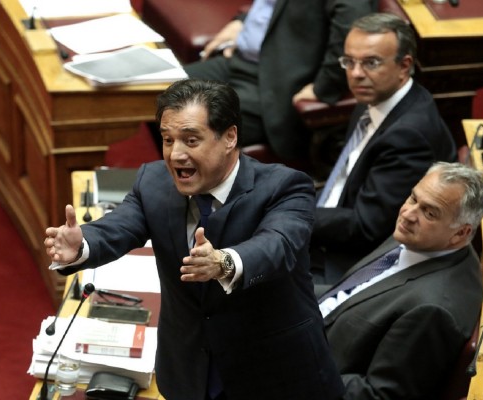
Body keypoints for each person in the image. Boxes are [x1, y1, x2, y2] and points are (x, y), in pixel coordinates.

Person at [43, 79, 344, 400]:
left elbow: (278, 245)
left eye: (191, 140)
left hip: (275, 377)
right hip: (188, 372)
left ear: (229, 137)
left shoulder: (285, 187)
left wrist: (224, 263)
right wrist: (81, 245)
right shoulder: (153, 181)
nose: (176, 154)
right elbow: (118, 226)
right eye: (167, 140)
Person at [319, 161, 483, 400]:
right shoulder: (423, 238)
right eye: (413, 198)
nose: (408, 214)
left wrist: (299, 369)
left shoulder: (432, 310)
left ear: (461, 233)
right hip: (311, 326)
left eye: (429, 213)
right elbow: (352, 293)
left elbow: (379, 395)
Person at [310, 12, 458, 284]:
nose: (356, 74)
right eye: (349, 62)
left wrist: (297, 216)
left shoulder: (408, 136)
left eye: (371, 63)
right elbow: (347, 175)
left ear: (404, 66)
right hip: (333, 216)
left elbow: (365, 227)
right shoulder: (376, 97)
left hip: (345, 262)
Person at [183, 0, 377, 161]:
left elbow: (353, 32)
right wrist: (242, 22)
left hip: (273, 85)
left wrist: (324, 87)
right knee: (166, 90)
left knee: (187, 121)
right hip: (237, 61)